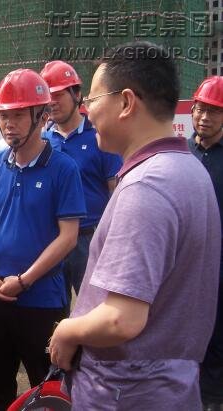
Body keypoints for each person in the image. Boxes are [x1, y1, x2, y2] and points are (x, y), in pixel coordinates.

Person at [49, 41, 221, 410]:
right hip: (168, 386)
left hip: (123, 391)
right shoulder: (189, 168)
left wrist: (67, 330)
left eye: (93, 99)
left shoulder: (146, 186)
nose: (87, 110)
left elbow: (121, 321)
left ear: (126, 102)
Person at [0, 68, 86, 411]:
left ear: (42, 116)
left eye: (19, 115)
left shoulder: (64, 168)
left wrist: (24, 280)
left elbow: (68, 237)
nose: (9, 124)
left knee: (47, 391)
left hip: (41, 301)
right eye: (4, 116)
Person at [41, 60, 122, 304]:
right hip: (51, 239)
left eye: (58, 95)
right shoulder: (43, 140)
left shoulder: (99, 137)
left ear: (77, 95)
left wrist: (112, 241)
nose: (52, 102)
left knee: (95, 306)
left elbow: (115, 191)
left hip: (89, 239)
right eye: (48, 96)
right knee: (55, 307)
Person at [187, 75, 223, 411]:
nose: (204, 117)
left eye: (214, 111)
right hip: (186, 264)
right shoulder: (182, 153)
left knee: (218, 336)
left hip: (220, 265)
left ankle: (212, 400)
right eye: (200, 109)